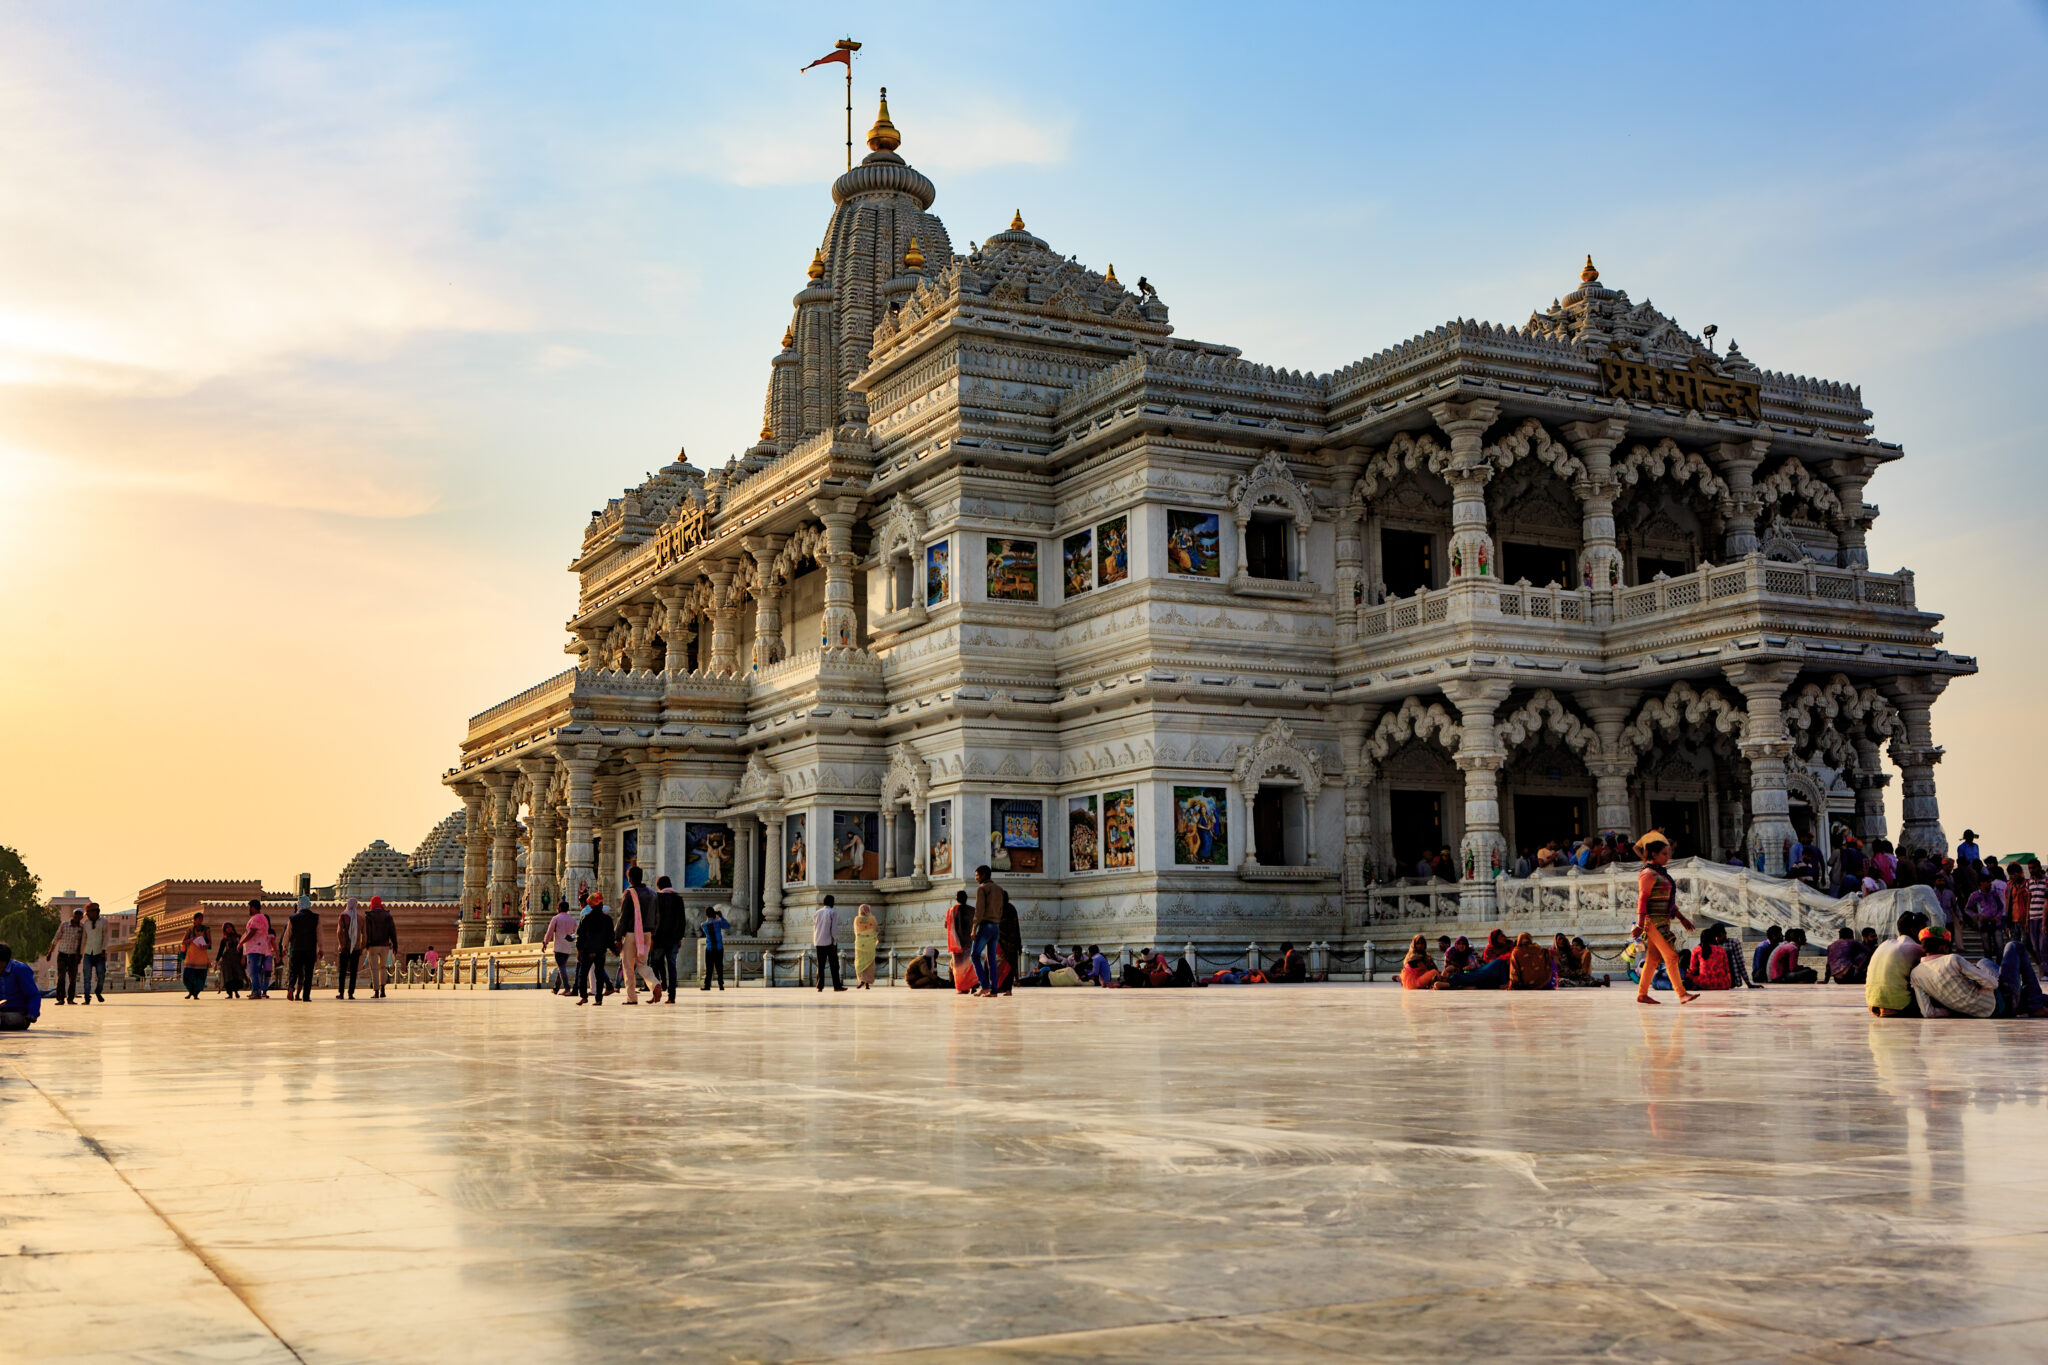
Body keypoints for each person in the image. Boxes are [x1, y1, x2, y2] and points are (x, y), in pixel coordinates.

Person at [1632, 832, 1699, 1005]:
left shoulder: (1659, 873)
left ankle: (1642, 993)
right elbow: (1642, 899)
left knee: (1654, 959)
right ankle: (1681, 993)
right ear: (1654, 854)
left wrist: (1681, 917)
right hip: (1652, 921)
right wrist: (1639, 924)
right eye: (1664, 854)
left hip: (1663, 919)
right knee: (1671, 956)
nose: (1667, 857)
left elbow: (1666, 901)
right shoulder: (1647, 874)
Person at [1866, 911, 1929, 1017]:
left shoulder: (1885, 944)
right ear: (1914, 931)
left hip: (1873, 1004)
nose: (1927, 934)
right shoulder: (1916, 948)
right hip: (1899, 1006)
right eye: (1924, 930)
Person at [616, 866, 656, 1005]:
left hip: (632, 933)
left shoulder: (629, 893)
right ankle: (655, 984)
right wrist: (653, 935)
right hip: (647, 933)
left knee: (628, 966)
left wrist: (617, 937)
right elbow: (657, 916)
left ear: (629, 878)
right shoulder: (652, 894)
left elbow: (624, 917)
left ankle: (631, 997)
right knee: (642, 964)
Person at [650, 876, 688, 1004]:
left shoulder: (656, 898)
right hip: (673, 940)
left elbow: (654, 920)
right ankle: (671, 996)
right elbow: (682, 921)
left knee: (654, 964)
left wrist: (652, 937)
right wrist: (679, 937)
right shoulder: (678, 899)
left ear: (659, 886)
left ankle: (656, 992)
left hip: (659, 940)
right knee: (672, 966)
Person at [970, 865, 1006, 998]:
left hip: (985, 926)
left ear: (984, 875)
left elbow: (978, 911)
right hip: (996, 926)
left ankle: (985, 986)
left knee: (974, 955)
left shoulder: (982, 889)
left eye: (977, 875)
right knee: (991, 960)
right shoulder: (999, 889)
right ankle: (994, 990)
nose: (976, 878)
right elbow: (1001, 909)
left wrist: (974, 928)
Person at [574, 896, 614, 1005]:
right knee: (599, 974)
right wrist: (613, 949)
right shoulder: (607, 919)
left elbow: (580, 936)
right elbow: (610, 936)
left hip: (588, 950)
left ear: (591, 906)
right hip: (601, 950)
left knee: (583, 974)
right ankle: (599, 999)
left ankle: (583, 997)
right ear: (601, 905)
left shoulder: (586, 918)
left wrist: (579, 950)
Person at [363, 895, 399, 998]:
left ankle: (376, 992)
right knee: (383, 968)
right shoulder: (387, 915)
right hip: (384, 945)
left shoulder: (369, 916)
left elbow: (366, 932)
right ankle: (383, 990)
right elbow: (393, 931)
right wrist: (395, 944)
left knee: (374, 969)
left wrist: (365, 944)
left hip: (373, 946)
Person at [0, 943, 40, 1030]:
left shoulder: (20, 969)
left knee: (7, 1019)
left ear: (4, 961)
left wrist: (32, 1013)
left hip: (18, 1014)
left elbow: (33, 995)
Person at [285, 900, 320, 1002]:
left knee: (294, 972)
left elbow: (288, 934)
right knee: (308, 974)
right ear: (309, 906)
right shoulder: (315, 918)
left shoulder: (293, 918)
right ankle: (306, 996)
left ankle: (291, 987)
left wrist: (284, 946)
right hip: (310, 950)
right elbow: (319, 934)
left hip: (296, 949)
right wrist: (321, 948)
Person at [543, 899, 579, 994]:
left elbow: (549, 932)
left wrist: (545, 943)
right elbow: (576, 931)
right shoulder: (572, 919)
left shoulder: (556, 918)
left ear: (559, 908)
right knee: (561, 967)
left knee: (562, 968)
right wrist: (571, 936)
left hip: (559, 947)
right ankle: (556, 988)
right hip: (567, 947)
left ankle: (567, 987)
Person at [241, 899, 275, 1000]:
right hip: (260, 948)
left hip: (255, 949)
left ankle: (256, 992)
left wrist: (242, 942)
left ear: (253, 907)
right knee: (255, 971)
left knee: (253, 971)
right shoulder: (263, 918)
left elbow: (251, 932)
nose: (249, 910)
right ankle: (255, 991)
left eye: (250, 907)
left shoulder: (256, 918)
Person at [946, 890, 976, 994]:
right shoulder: (973, 910)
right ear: (966, 898)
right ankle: (972, 984)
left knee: (958, 966)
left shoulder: (951, 911)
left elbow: (947, 926)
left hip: (957, 942)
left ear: (956, 898)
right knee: (969, 965)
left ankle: (962, 988)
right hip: (969, 941)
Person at [52, 908, 84, 1005]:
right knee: (61, 977)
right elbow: (56, 938)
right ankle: (60, 998)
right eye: (76, 915)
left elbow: (82, 943)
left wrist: (80, 955)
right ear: (73, 915)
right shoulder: (64, 925)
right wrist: (50, 952)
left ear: (82, 917)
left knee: (72, 978)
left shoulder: (82, 928)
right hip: (62, 954)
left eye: (80, 915)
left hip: (74, 956)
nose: (77, 917)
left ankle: (70, 999)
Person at [80, 903, 110, 1004]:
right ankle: (87, 998)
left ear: (96, 912)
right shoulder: (86, 923)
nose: (88, 915)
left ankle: (98, 991)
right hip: (88, 952)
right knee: (86, 976)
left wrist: (103, 950)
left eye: (89, 913)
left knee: (101, 975)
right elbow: (84, 938)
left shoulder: (104, 922)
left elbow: (105, 937)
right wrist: (81, 952)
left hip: (99, 952)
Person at [813, 895, 845, 992]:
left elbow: (815, 927)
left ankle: (819, 986)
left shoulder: (817, 913)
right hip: (829, 942)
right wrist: (835, 941)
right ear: (831, 902)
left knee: (821, 965)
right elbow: (834, 929)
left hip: (818, 941)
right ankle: (837, 986)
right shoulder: (833, 912)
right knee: (834, 965)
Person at [335, 897, 362, 1000]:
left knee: (342, 971)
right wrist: (361, 946)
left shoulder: (343, 916)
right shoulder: (360, 918)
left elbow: (338, 931)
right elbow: (364, 934)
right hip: (355, 948)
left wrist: (341, 945)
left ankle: (341, 993)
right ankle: (351, 993)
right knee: (353, 972)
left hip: (344, 948)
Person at [180, 913, 212, 999]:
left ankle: (195, 994)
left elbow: (210, 942)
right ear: (194, 920)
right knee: (187, 977)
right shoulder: (190, 929)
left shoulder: (206, 929)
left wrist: (206, 945)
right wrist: (191, 940)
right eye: (199, 919)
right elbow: (183, 941)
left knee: (200, 977)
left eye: (202, 919)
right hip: (191, 956)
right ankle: (191, 991)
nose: (200, 920)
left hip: (201, 956)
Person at [997, 891, 1023, 996]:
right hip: (1010, 943)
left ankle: (1007, 989)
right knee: (1007, 966)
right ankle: (1005, 988)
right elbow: (1017, 928)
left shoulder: (1002, 909)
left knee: (1008, 966)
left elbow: (1014, 926)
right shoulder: (1011, 908)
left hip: (1006, 943)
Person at [699, 905, 729, 991]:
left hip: (709, 948)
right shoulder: (719, 922)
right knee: (719, 967)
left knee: (709, 968)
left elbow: (708, 921)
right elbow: (727, 926)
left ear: (706, 915)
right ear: (714, 914)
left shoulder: (703, 925)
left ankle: (707, 985)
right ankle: (721, 985)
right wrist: (721, 916)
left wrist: (712, 915)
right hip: (719, 948)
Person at [852, 904, 880, 989]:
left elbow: (856, 932)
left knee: (860, 962)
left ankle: (862, 980)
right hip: (869, 944)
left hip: (860, 943)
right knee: (869, 963)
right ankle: (867, 983)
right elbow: (876, 930)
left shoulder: (857, 919)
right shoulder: (872, 919)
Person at [217, 921, 246, 999]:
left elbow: (243, 948)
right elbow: (220, 951)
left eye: (230, 927)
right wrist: (216, 961)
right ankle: (230, 993)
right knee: (228, 977)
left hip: (236, 959)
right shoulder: (224, 939)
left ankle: (236, 991)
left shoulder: (239, 937)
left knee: (237, 976)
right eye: (227, 928)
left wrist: (243, 957)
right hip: (227, 960)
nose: (229, 929)